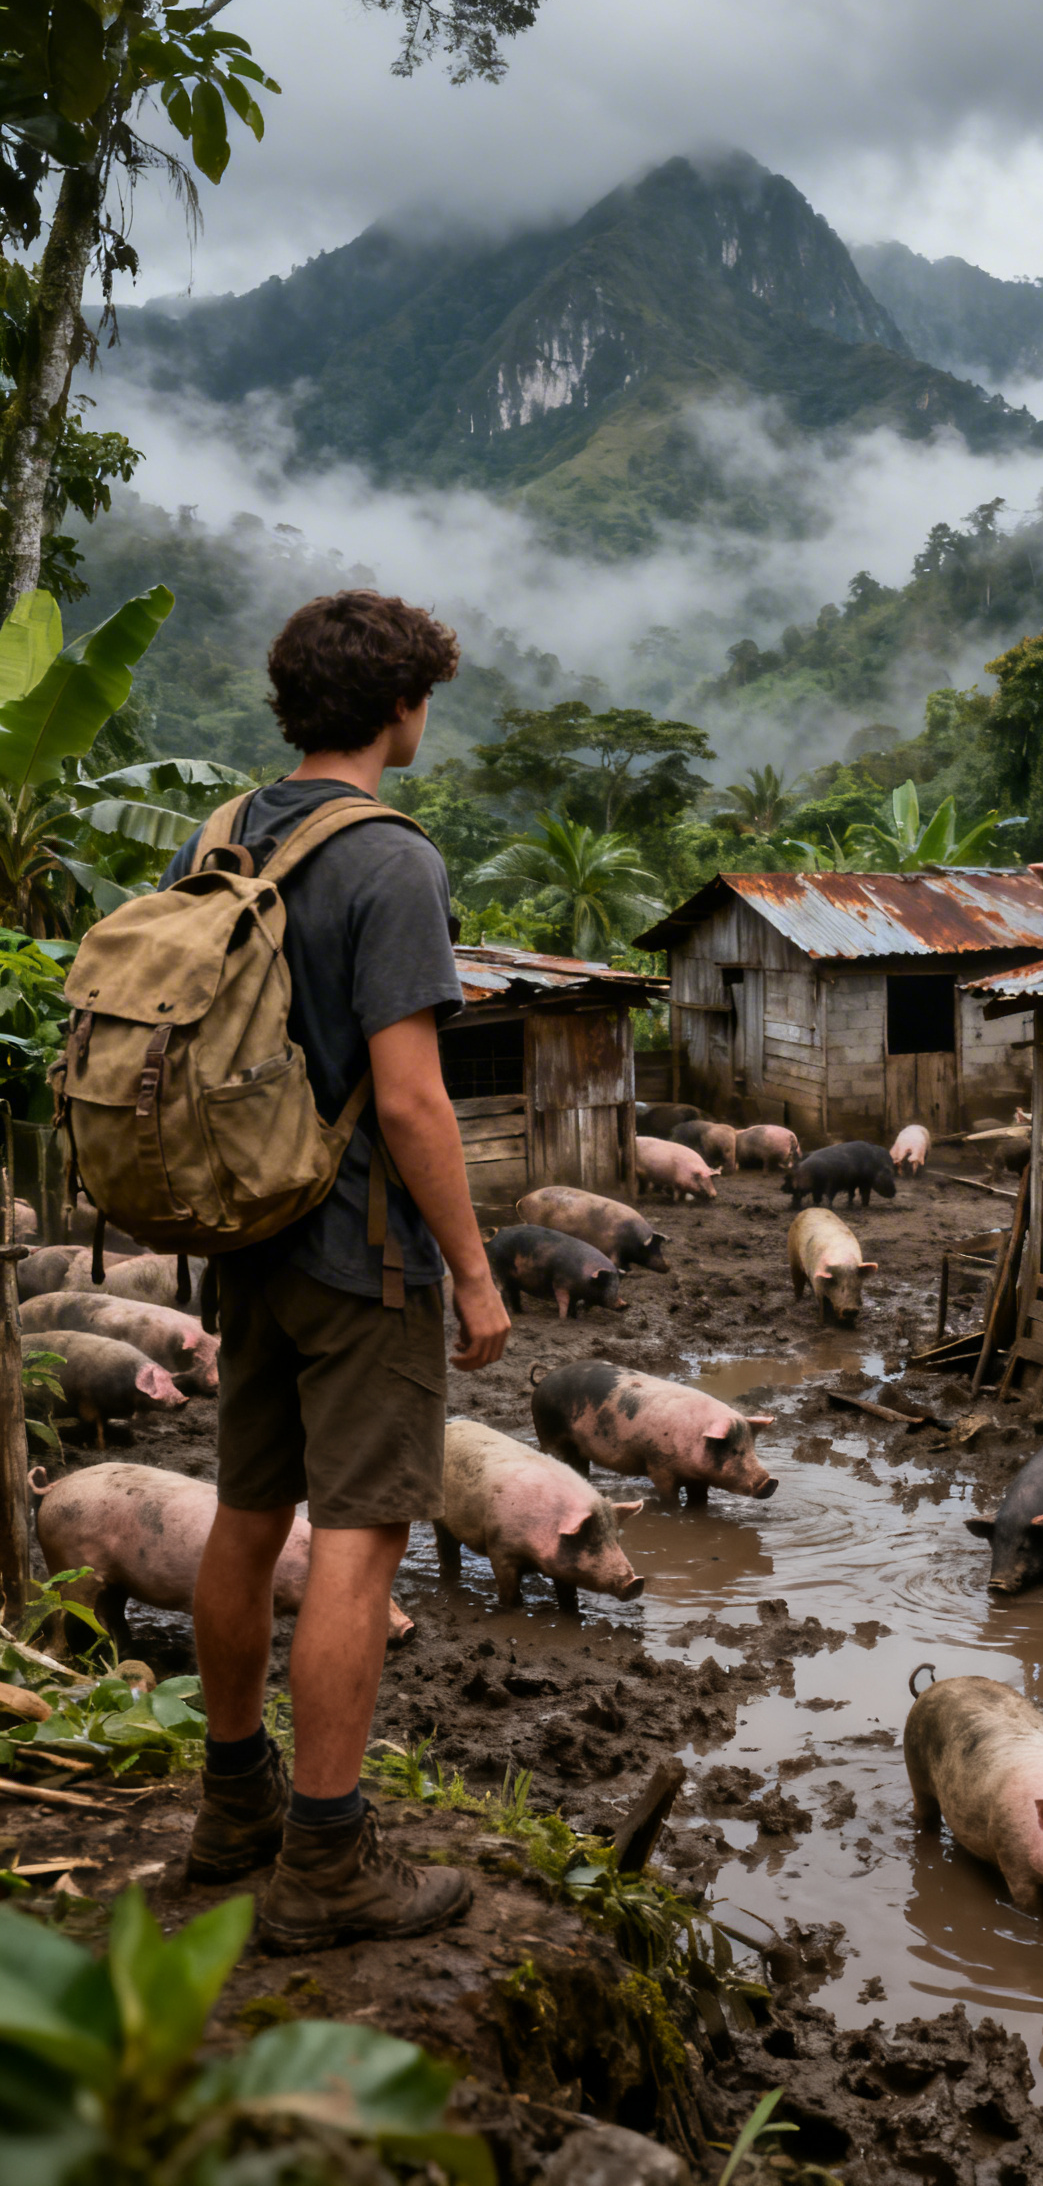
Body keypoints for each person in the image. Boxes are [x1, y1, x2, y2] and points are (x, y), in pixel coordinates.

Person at [165, 589, 512, 1952]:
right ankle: (325, 1862)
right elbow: (414, 1100)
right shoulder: (390, 862)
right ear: (402, 710)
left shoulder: (224, 834)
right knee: (359, 1546)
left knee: (247, 1517)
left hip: (239, 1236)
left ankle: (230, 1805)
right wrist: (474, 1274)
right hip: (359, 1250)